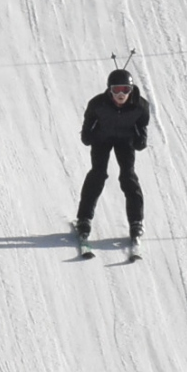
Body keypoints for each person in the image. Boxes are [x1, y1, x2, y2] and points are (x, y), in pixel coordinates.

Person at [75, 69, 151, 244]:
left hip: (125, 141)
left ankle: (136, 221)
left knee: (128, 176)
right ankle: (84, 218)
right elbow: (89, 121)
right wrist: (87, 135)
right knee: (98, 174)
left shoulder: (140, 106)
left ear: (131, 89)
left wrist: (141, 139)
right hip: (102, 139)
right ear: (109, 90)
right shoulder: (98, 104)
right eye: (116, 89)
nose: (121, 94)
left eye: (125, 89)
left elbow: (142, 126)